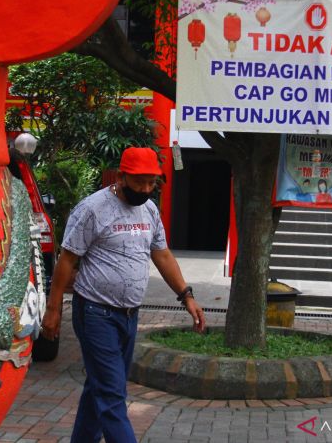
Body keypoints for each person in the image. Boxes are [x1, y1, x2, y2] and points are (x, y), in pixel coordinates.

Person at [40, 146, 206, 443]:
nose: (145, 189)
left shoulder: (150, 209)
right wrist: (54, 310)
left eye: (151, 182)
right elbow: (66, 260)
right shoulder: (93, 209)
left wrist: (187, 296)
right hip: (95, 313)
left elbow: (162, 255)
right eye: (138, 181)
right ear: (121, 176)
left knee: (99, 388)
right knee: (113, 395)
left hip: (130, 315)